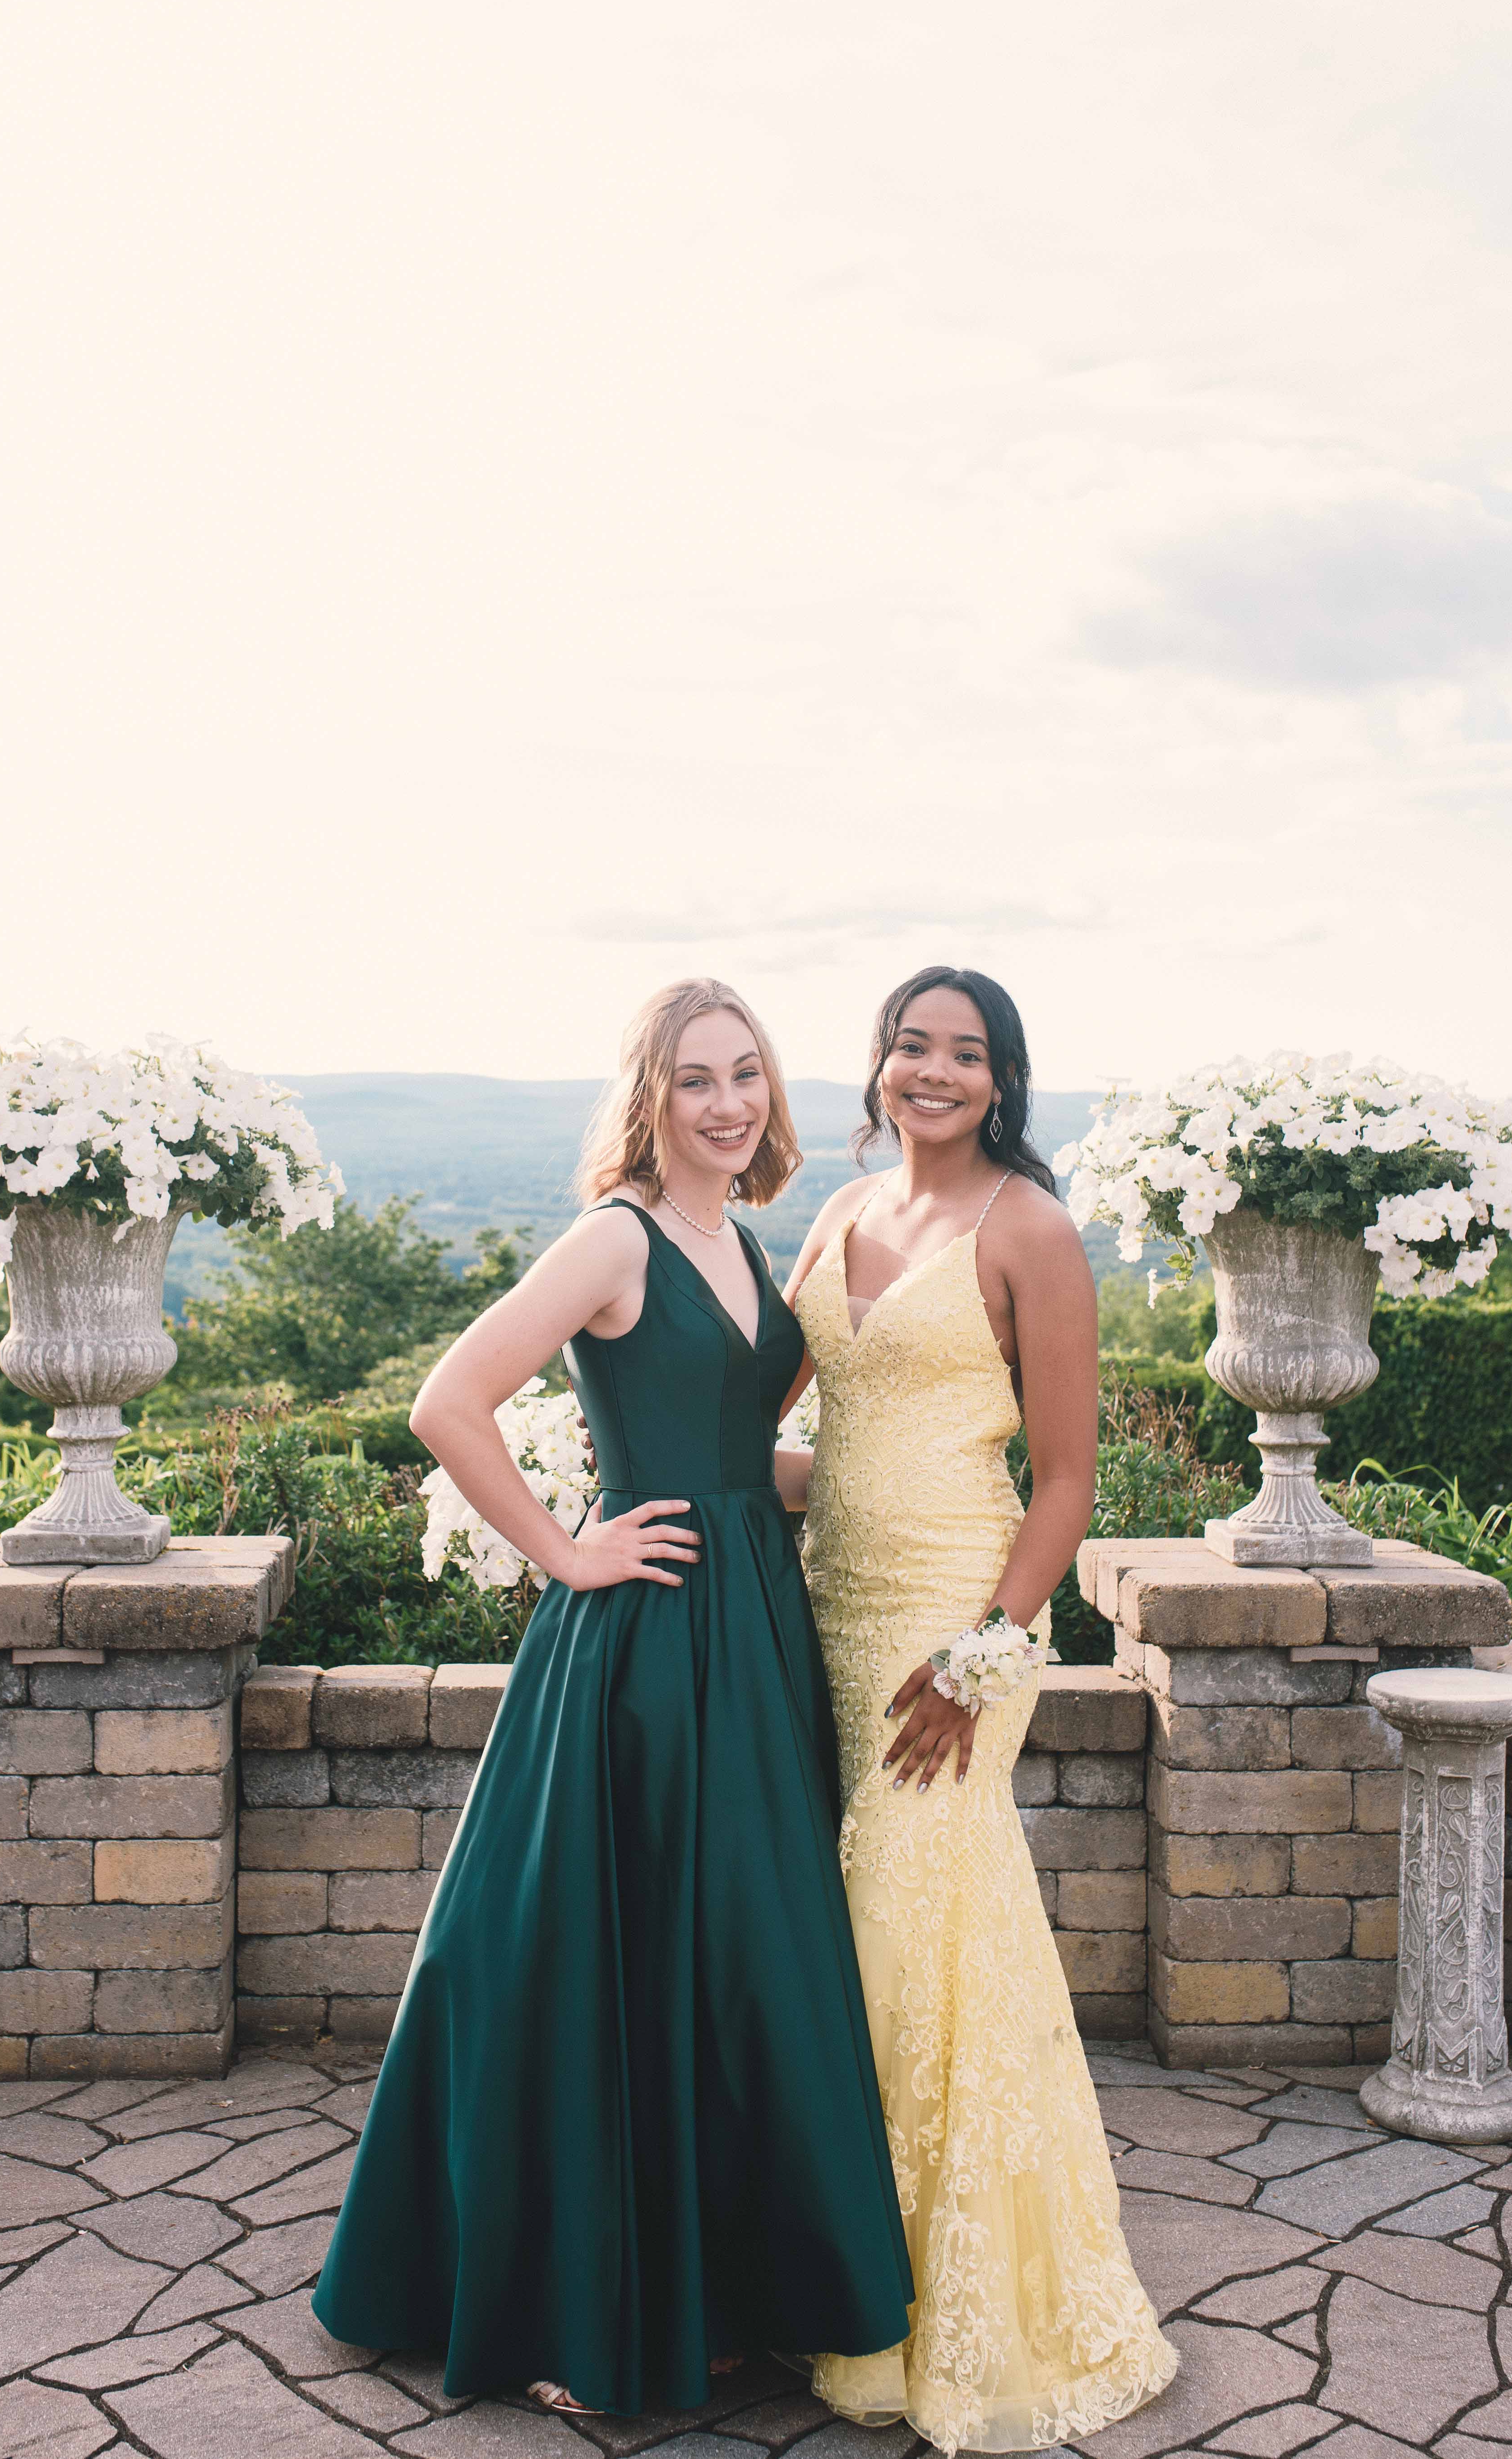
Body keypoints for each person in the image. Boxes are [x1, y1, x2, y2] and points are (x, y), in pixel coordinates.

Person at [312, 977, 912, 2417]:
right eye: (696, 1079)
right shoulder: (615, 1238)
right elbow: (448, 1401)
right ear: (649, 1097)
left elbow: (729, 1447)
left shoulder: (740, 1239)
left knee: (737, 1960)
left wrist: (902, 1474)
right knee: (626, 1957)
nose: (728, 1102)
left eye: (747, 1076)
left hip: (753, 1631)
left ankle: (715, 2286)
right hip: (646, 1647)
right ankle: (586, 2306)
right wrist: (567, 1553)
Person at [782, 965, 1177, 2454]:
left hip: (953, 1632)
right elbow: (801, 1434)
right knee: (855, 1929)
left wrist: (983, 1654)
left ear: (1001, 1081)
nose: (931, 1071)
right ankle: (834, 2260)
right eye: (909, 1045)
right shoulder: (840, 1214)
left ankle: (951, 2306)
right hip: (825, 1613)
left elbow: (1067, 1480)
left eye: (963, 1053)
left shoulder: (1029, 1229)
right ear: (879, 1067)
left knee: (914, 1917)